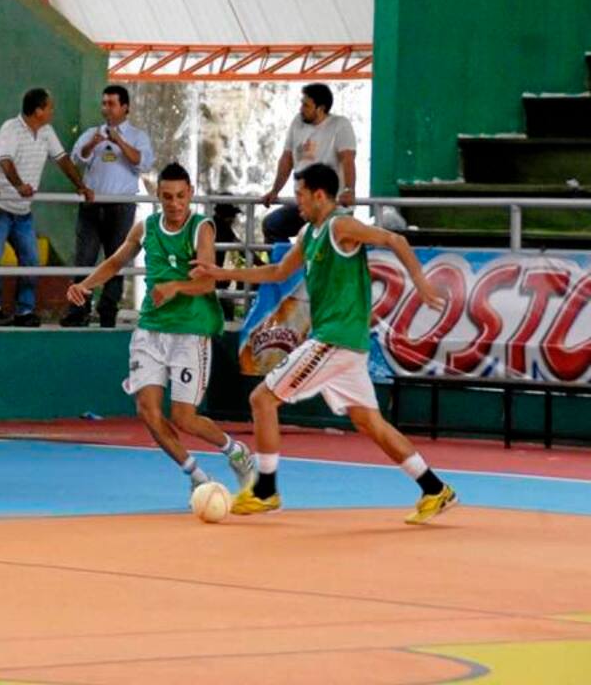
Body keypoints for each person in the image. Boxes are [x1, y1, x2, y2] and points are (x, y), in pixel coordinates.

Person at [193, 163, 458, 524]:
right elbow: (277, 272)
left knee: (262, 399)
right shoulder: (309, 233)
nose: (296, 201)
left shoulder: (340, 225)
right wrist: (221, 273)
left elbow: (395, 239)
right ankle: (434, 488)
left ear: (320, 195)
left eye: (300, 194)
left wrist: (422, 284)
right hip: (346, 346)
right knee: (370, 423)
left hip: (335, 340)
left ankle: (266, 491)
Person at [68, 163, 254, 506]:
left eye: (181, 196)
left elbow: (209, 280)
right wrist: (84, 285)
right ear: (159, 196)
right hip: (150, 332)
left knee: (184, 418)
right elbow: (114, 262)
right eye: (167, 197)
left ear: (190, 194)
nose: (174, 203)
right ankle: (198, 477)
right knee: (147, 410)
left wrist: (176, 287)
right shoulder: (146, 228)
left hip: (190, 333)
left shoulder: (202, 229)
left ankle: (236, 451)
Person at [0, 88, 93, 327]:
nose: (53, 111)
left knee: (31, 258)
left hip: (22, 211)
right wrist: (19, 185)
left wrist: (81, 185)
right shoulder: (10, 129)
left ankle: (24, 310)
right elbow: (5, 161)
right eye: (50, 107)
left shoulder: (46, 132)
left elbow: (62, 159)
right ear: (38, 110)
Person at [61, 85, 154, 328]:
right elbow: (77, 158)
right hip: (93, 205)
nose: (106, 109)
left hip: (121, 206)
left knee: (117, 258)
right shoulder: (93, 133)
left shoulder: (137, 136)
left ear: (125, 107)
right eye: (104, 103)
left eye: (111, 104)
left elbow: (142, 163)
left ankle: (108, 311)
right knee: (85, 257)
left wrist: (119, 141)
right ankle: (77, 310)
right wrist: (92, 144)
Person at [261, 83, 357, 244]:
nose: (301, 109)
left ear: (320, 108)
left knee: (325, 240)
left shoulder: (340, 125)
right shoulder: (297, 123)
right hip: (305, 202)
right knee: (272, 225)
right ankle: (288, 266)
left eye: (306, 105)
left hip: (330, 205)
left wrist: (349, 190)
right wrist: (275, 190)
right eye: (301, 103)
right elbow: (287, 159)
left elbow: (347, 159)